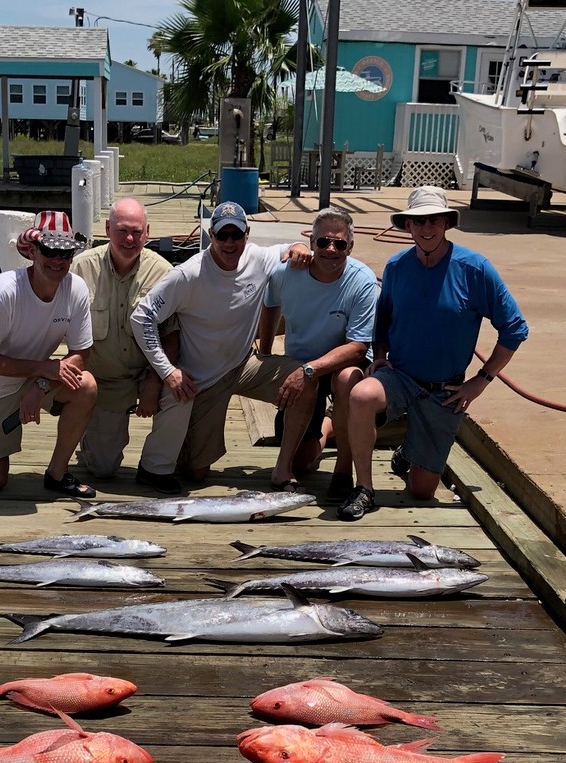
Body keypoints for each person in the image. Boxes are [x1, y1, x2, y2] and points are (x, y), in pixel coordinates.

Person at [337, 185, 528, 521]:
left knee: (422, 490)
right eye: (419, 221)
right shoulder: (396, 267)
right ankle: (364, 487)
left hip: (446, 390)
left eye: (434, 221)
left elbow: (515, 329)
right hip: (400, 376)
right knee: (362, 395)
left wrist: (479, 382)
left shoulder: (476, 269)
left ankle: (408, 453)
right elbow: (382, 322)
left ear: (446, 223)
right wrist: (379, 353)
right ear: (407, 226)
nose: (426, 228)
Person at [129, 200, 307, 493]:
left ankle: (284, 467)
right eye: (221, 235)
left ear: (247, 234)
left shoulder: (259, 258)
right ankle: (165, 460)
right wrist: (166, 371)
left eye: (235, 235)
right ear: (210, 235)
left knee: (305, 376)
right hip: (200, 381)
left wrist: (300, 246)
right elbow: (142, 316)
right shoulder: (188, 274)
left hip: (243, 365)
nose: (229, 242)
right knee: (196, 474)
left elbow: (291, 248)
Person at [0, 221, 99, 498]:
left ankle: (57, 474)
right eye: (49, 250)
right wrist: (42, 368)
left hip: (31, 377)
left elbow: (82, 353)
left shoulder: (76, 288)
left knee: (86, 385)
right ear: (32, 252)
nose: (58, 260)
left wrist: (40, 384)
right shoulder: (2, 292)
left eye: (65, 254)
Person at [259, 206, 378, 492]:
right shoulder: (286, 273)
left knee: (346, 378)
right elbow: (270, 303)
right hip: (301, 362)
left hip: (341, 362)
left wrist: (310, 369)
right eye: (323, 241)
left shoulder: (363, 281)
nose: (331, 249)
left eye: (339, 243)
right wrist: (265, 352)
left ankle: (342, 470)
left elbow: (359, 346)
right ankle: (329, 425)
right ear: (311, 243)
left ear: (350, 247)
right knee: (303, 463)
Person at [68, 198, 177, 479]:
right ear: (107, 229)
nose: (129, 239)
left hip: (149, 373)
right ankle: (92, 431)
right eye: (122, 230)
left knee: (183, 392)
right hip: (105, 382)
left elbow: (173, 336)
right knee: (102, 469)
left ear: (148, 233)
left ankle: (157, 466)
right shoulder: (79, 269)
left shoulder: (165, 273)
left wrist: (155, 381)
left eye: (137, 232)